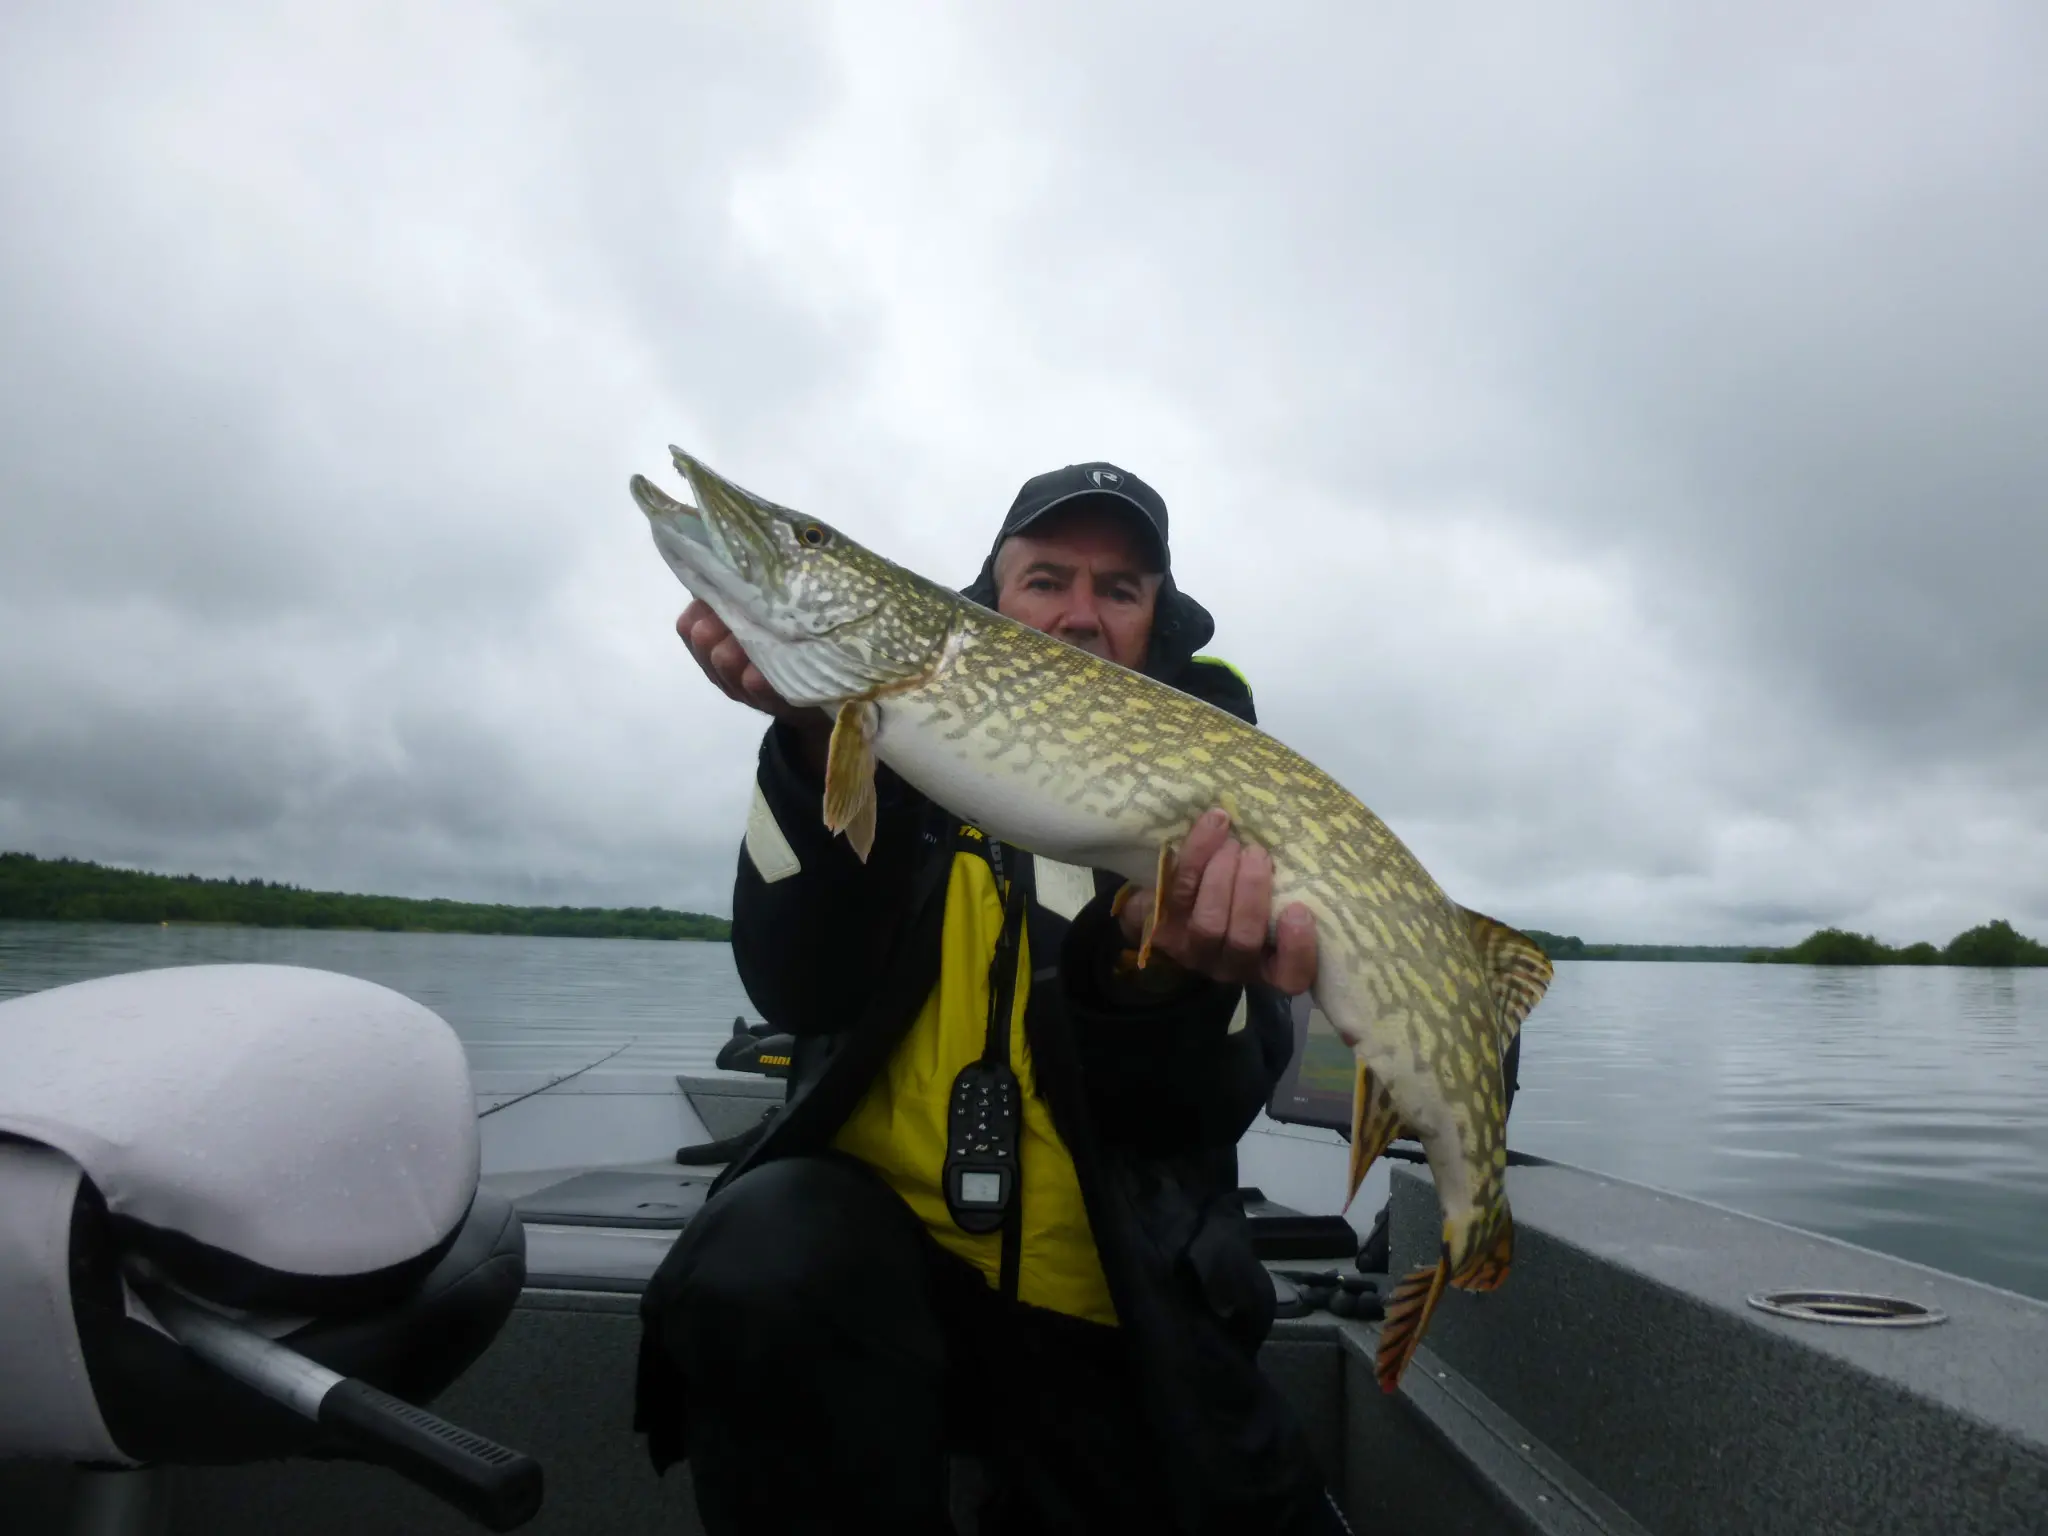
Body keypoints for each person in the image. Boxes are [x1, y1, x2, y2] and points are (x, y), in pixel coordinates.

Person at [634, 462, 1351, 1535]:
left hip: (1115, 1308)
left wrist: (1153, 981)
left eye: (1118, 590)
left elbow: (1195, 1114)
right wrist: (802, 736)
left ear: (1155, 618)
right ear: (989, 599)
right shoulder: (894, 741)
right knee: (758, 1258)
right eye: (1045, 578)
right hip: (875, 1287)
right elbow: (793, 982)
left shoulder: (1210, 801)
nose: (1077, 613)